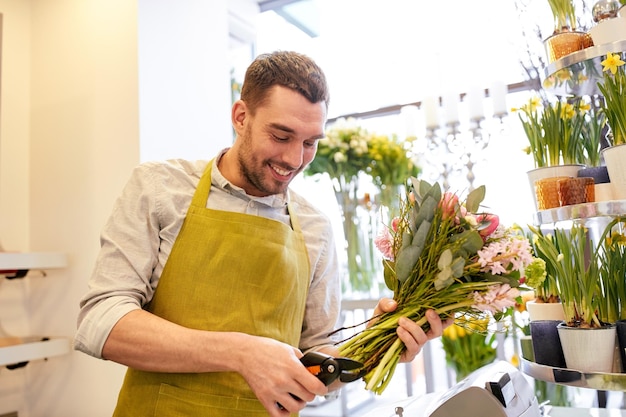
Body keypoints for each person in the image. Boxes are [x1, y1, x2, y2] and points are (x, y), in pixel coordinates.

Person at [75, 50, 446, 417]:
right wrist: (241, 353)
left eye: (310, 142)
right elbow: (102, 321)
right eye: (281, 135)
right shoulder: (159, 188)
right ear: (240, 117)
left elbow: (317, 361)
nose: (295, 159)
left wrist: (378, 344)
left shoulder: (315, 227)